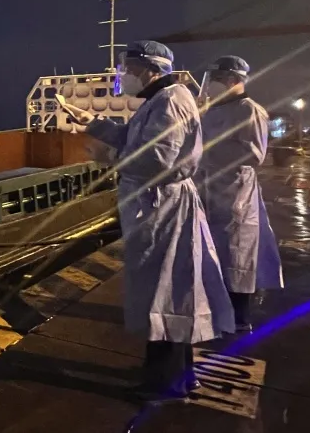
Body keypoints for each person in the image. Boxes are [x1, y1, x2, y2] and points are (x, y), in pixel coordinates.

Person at [63, 40, 234, 403]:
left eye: (130, 69)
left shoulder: (170, 100)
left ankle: (164, 383)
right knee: (170, 291)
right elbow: (134, 138)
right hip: (159, 207)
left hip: (163, 209)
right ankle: (178, 375)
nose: (124, 75)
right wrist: (95, 123)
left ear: (151, 69)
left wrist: (110, 156)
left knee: (164, 292)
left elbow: (158, 159)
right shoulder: (161, 99)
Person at [198, 55, 284, 331]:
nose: (211, 84)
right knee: (214, 252)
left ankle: (239, 317)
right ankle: (218, 312)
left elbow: (254, 154)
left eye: (217, 79)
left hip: (235, 193)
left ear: (234, 80)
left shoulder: (249, 110)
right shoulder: (212, 110)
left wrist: (206, 152)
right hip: (210, 189)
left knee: (237, 253)